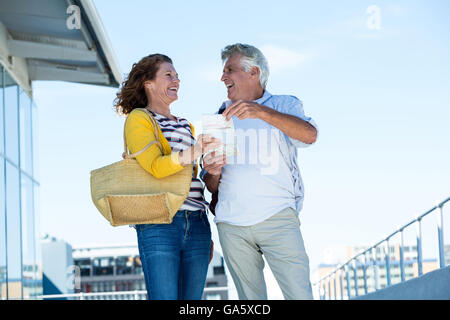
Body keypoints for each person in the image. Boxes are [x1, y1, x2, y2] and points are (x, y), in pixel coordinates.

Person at [201, 44, 318, 300]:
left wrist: (260, 111)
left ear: (253, 71)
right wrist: (213, 171)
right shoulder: (220, 116)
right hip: (232, 225)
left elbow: (309, 135)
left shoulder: (283, 104)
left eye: (229, 70)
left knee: (300, 296)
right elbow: (211, 185)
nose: (223, 78)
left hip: (278, 219)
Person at [114, 54, 221, 300]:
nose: (177, 80)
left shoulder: (185, 125)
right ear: (148, 83)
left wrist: (210, 165)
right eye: (168, 75)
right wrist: (195, 151)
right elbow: (155, 166)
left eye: (177, 75)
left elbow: (190, 178)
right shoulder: (139, 119)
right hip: (159, 224)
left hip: (197, 224)